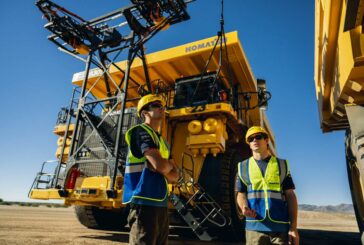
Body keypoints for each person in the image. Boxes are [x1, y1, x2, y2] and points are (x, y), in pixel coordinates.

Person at [122, 94, 179, 245]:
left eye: (162, 106)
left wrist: (163, 167)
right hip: (143, 200)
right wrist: (166, 167)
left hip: (160, 202)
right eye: (155, 105)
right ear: (145, 113)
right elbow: (162, 166)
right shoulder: (140, 132)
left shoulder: (163, 142)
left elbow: (175, 176)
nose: (162, 108)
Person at [235, 126, 299, 245]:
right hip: (254, 229)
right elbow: (241, 193)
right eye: (250, 139)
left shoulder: (281, 165)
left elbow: (290, 195)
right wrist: (244, 207)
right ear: (249, 144)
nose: (254, 140)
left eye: (258, 137)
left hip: (280, 228)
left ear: (266, 140)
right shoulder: (243, 167)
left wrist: (293, 227)